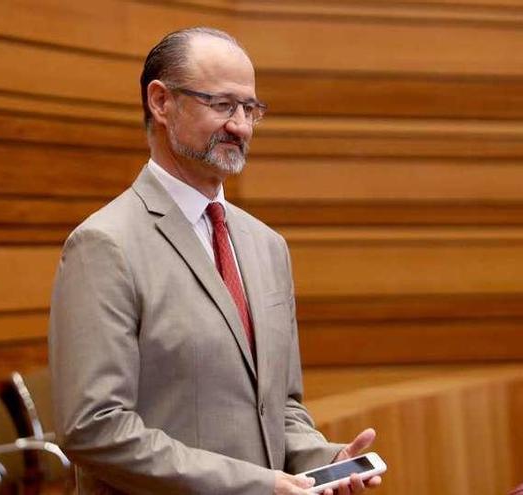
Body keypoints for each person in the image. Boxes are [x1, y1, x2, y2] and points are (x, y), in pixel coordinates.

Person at [49, 27, 382, 495]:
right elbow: (94, 428)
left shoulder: (267, 245)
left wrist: (325, 460)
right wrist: (254, 485)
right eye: (222, 105)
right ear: (161, 102)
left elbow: (279, 407)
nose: (241, 126)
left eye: (250, 108)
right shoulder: (105, 245)